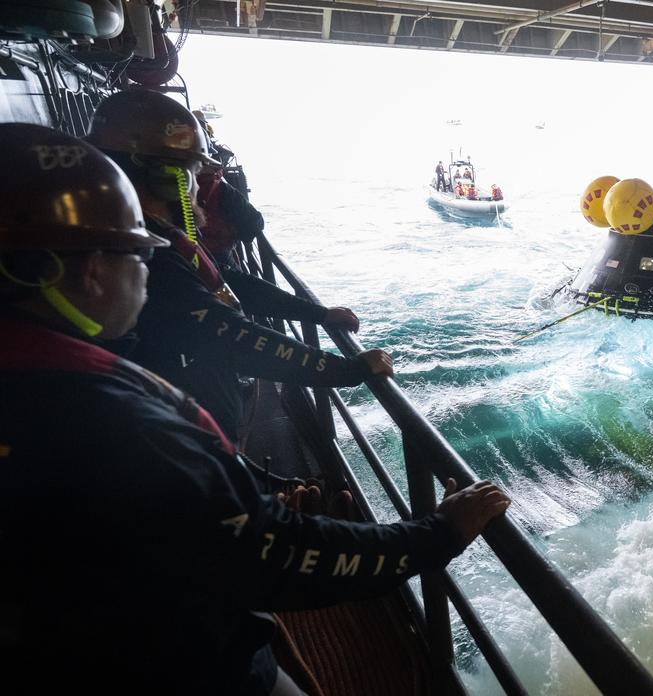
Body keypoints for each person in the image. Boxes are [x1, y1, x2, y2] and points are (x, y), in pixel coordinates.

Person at [0, 122, 512, 695]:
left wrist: (245, 486)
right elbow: (275, 560)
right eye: (138, 255)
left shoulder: (46, 377)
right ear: (93, 271)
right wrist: (439, 531)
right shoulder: (116, 425)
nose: (148, 270)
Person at [85, 89, 391, 442]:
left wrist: (316, 314)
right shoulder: (145, 254)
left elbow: (226, 282)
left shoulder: (156, 236)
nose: (198, 186)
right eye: (192, 173)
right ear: (167, 177)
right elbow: (227, 336)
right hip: (184, 440)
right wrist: (348, 370)